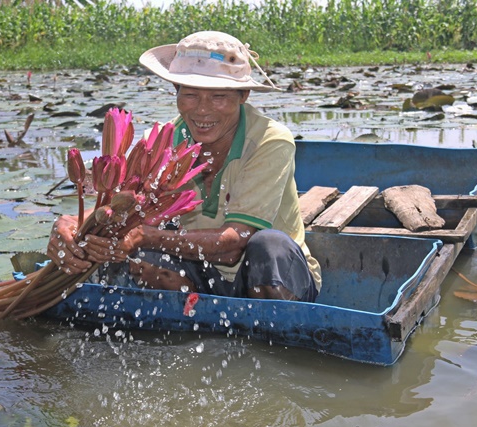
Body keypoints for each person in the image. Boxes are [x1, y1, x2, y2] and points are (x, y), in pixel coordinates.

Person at [47, 31, 321, 302]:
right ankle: (188, 327)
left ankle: (275, 337)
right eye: (190, 95)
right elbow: (119, 208)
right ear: (175, 93)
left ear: (243, 95)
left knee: (267, 245)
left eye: (218, 97)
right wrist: (71, 225)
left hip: (273, 277)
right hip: (202, 272)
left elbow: (234, 244)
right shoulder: (158, 144)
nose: (202, 110)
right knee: (143, 259)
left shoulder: (269, 140)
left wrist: (145, 236)